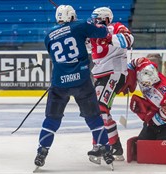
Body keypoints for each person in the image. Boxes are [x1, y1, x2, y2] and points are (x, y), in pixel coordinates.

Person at [34, 5, 114, 168]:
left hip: (59, 83)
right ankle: (105, 148)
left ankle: (42, 151)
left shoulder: (48, 36)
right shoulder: (80, 25)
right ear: (72, 16)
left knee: (52, 119)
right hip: (81, 81)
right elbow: (103, 32)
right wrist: (91, 25)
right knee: (93, 117)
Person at [87, 7, 134, 161]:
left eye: (97, 19)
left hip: (114, 72)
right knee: (99, 111)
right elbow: (88, 48)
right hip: (100, 75)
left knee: (100, 109)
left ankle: (102, 145)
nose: (94, 21)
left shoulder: (116, 27)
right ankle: (115, 147)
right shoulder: (93, 32)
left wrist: (110, 37)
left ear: (106, 19)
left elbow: (129, 40)